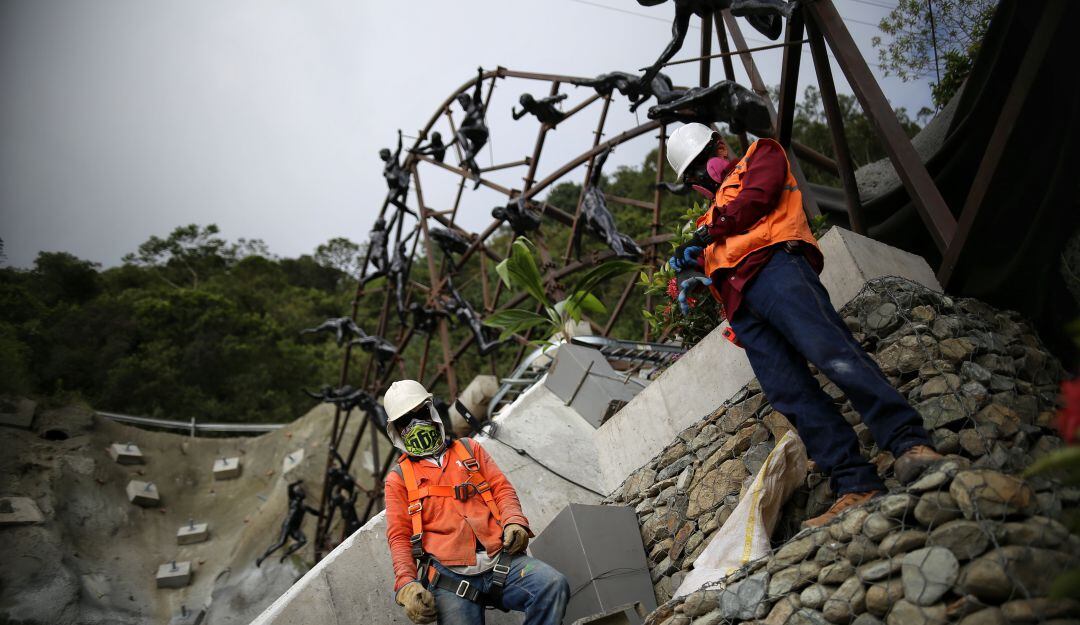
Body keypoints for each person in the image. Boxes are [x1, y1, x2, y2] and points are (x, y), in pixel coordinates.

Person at [664, 122, 943, 528]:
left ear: (720, 145)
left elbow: (755, 201)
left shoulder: (761, 155)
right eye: (690, 175)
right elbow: (706, 252)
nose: (699, 178)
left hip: (778, 269)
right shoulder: (710, 218)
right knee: (790, 393)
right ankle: (855, 483)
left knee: (833, 353)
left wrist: (705, 232)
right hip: (742, 306)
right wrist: (687, 271)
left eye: (701, 164)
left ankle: (909, 443)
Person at [383, 380, 569, 624]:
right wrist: (407, 584)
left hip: (499, 560)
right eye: (405, 421)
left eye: (419, 413)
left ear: (432, 412)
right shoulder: (398, 479)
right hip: (449, 577)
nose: (415, 423)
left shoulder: (469, 449)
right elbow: (399, 536)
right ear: (396, 430)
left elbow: (502, 489)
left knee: (552, 585)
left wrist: (514, 522)